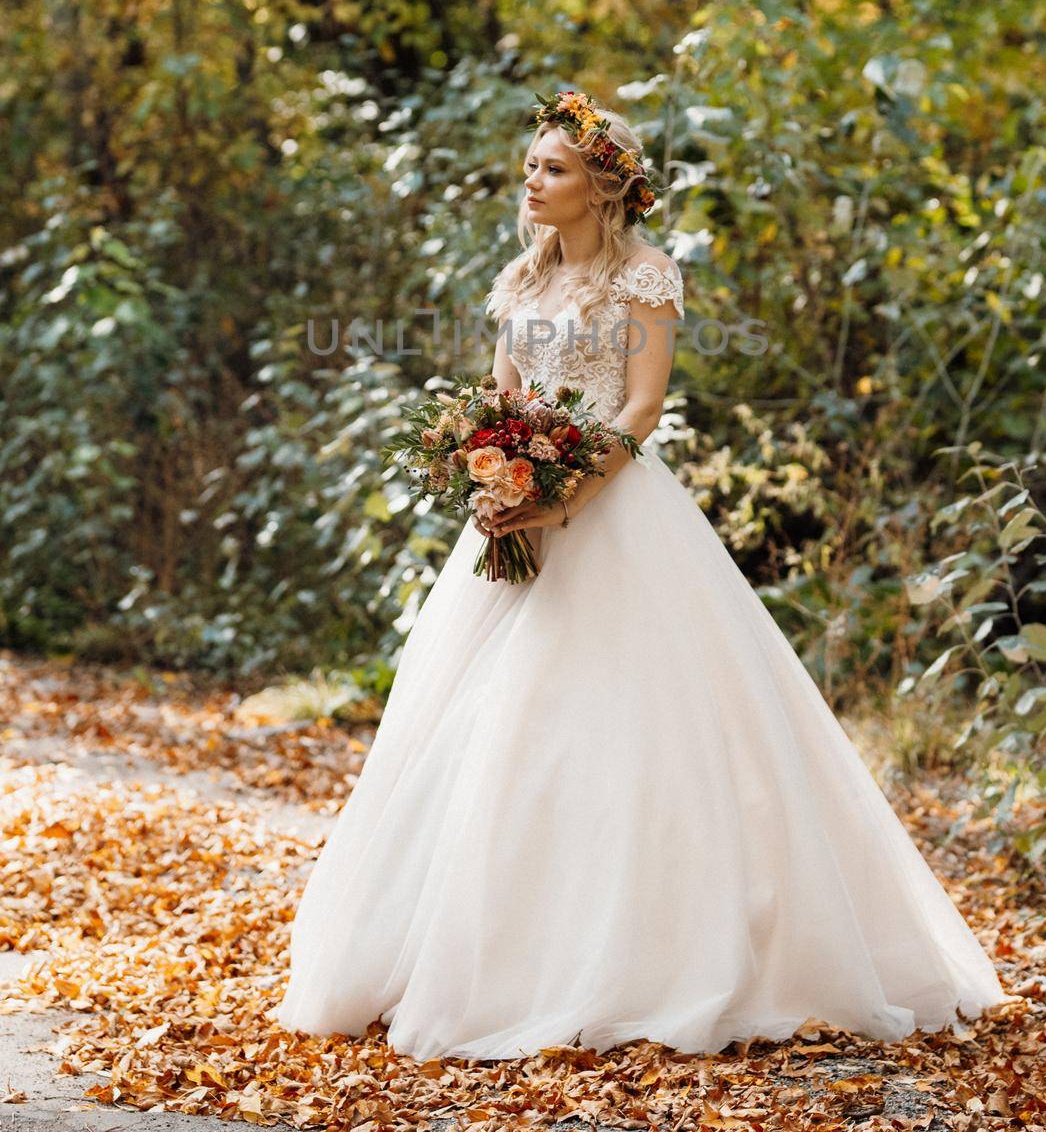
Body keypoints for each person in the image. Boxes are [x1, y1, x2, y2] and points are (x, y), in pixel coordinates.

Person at [272, 87, 1007, 1062]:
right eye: (531, 166)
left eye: (555, 168)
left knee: (634, 729)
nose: (534, 181)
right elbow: (502, 396)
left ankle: (651, 960)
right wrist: (493, 476)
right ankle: (477, 957)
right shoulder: (519, 282)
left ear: (604, 184)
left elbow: (643, 408)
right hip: (519, 518)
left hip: (613, 516)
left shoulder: (647, 280)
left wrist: (562, 493)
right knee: (482, 731)